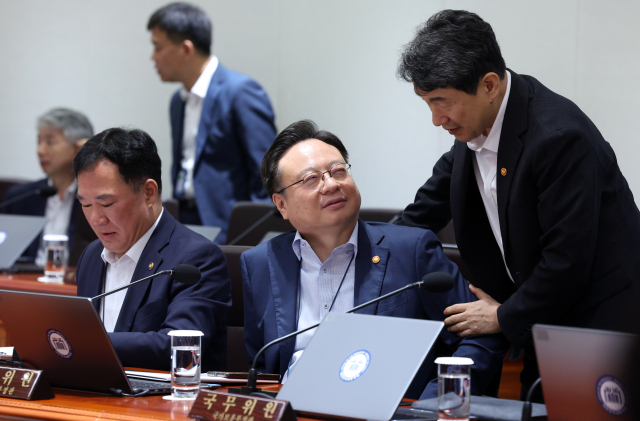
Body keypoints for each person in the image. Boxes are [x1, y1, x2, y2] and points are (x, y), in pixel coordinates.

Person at [395, 9, 640, 399]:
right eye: (426, 102)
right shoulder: (474, 131)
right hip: (543, 321)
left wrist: (501, 316)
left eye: (442, 102)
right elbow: (420, 215)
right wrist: (355, 252)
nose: (436, 119)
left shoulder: (558, 138)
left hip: (598, 326)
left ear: (489, 85)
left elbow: (567, 261)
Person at [241, 120, 508, 399]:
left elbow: (480, 335)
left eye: (338, 170)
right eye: (311, 179)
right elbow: (260, 366)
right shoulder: (260, 263)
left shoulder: (411, 251)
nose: (331, 184)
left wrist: (434, 404)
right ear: (281, 204)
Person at [74, 127, 231, 371]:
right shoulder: (92, 256)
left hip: (166, 401)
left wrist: (82, 343)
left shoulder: (196, 259)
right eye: (85, 204)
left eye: (106, 203)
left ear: (148, 193)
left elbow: (178, 345)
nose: (96, 218)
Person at [147, 2, 277, 244]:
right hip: (182, 221)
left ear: (186, 49)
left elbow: (268, 173)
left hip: (229, 228)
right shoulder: (178, 101)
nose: (152, 57)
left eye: (158, 47)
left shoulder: (240, 92)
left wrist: (257, 237)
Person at [1, 108, 97, 266]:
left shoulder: (96, 199)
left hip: (74, 284)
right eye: (39, 142)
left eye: (50, 142)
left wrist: (91, 157)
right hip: (27, 284)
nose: (40, 150)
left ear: (77, 148)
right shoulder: (20, 197)